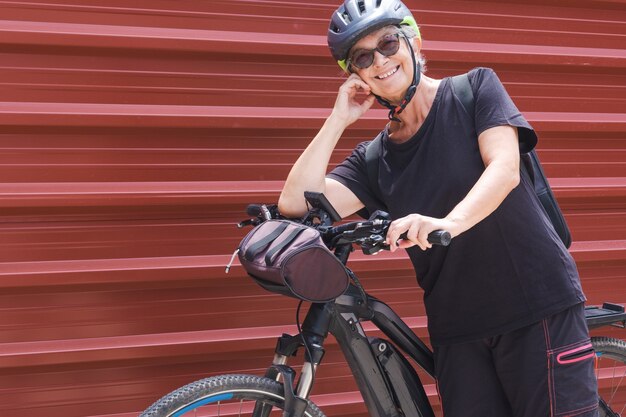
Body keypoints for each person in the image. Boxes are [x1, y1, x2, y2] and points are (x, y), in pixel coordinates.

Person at [277, 0, 599, 416]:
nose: (380, 60)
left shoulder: (474, 90)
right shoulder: (374, 159)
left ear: (414, 42)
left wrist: (448, 222)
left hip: (535, 307)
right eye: (362, 56)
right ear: (354, 73)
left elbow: (505, 169)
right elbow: (294, 204)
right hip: (459, 329)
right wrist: (338, 119)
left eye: (389, 43)